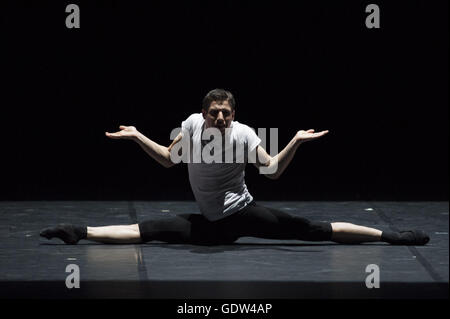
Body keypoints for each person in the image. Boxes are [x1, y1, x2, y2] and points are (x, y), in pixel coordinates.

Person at [40, 89, 430, 246]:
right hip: (208, 225)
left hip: (241, 215)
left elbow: (273, 170)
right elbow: (166, 159)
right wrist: (138, 135)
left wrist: (294, 140)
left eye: (227, 113)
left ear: (234, 114)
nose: (222, 119)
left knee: (309, 230)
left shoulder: (244, 134)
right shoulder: (191, 125)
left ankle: (389, 237)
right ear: (204, 113)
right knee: (148, 230)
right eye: (216, 113)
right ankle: (77, 232)